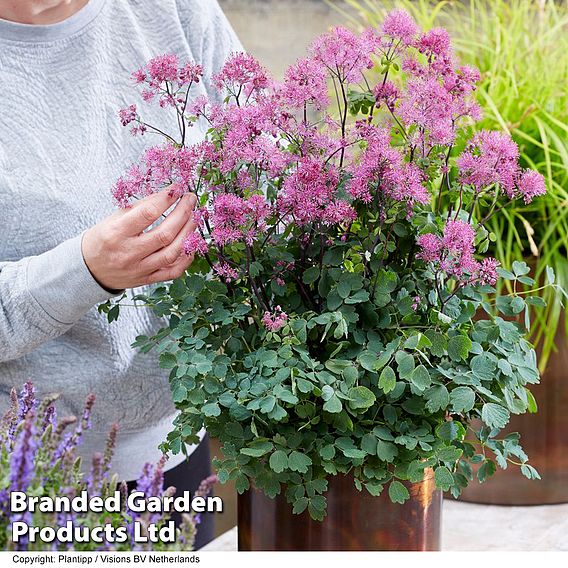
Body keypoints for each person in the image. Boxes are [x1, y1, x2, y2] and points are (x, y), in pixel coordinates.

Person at [0, 0, 242, 549]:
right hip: (24, 480)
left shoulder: (173, 10)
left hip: (168, 459)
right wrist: (86, 269)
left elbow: (264, 143)